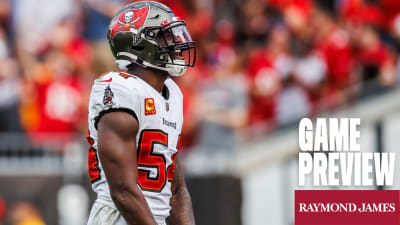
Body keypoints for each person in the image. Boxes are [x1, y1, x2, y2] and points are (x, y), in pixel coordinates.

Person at [86, 1, 196, 225]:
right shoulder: (120, 89)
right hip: (118, 218)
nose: (176, 42)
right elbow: (123, 192)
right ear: (139, 44)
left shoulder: (172, 94)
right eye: (166, 36)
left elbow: (177, 192)